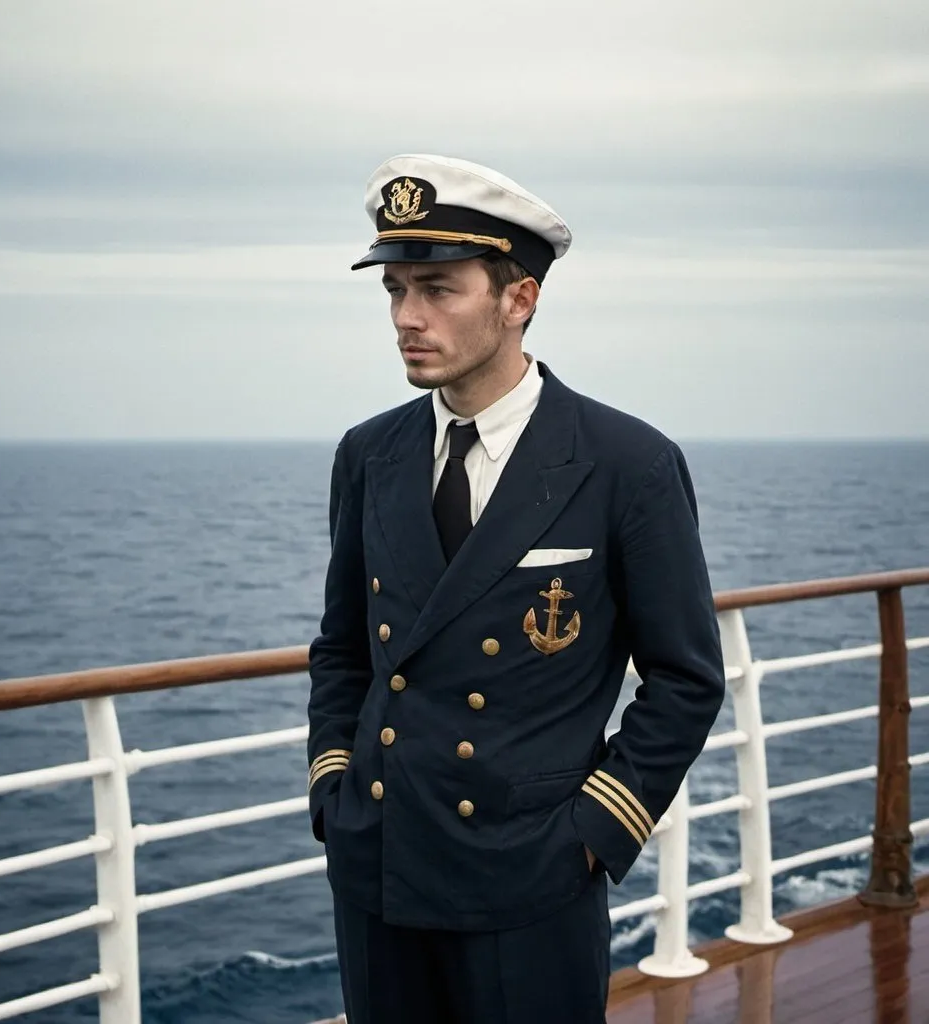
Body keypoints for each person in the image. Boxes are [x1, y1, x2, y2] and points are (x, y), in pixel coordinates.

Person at [306, 154, 725, 1023]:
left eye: (437, 290)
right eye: (394, 291)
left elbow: (685, 679)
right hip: (379, 862)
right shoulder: (369, 454)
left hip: (529, 878)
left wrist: (594, 835)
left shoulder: (626, 465)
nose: (406, 319)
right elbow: (343, 647)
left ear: (518, 299)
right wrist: (333, 786)